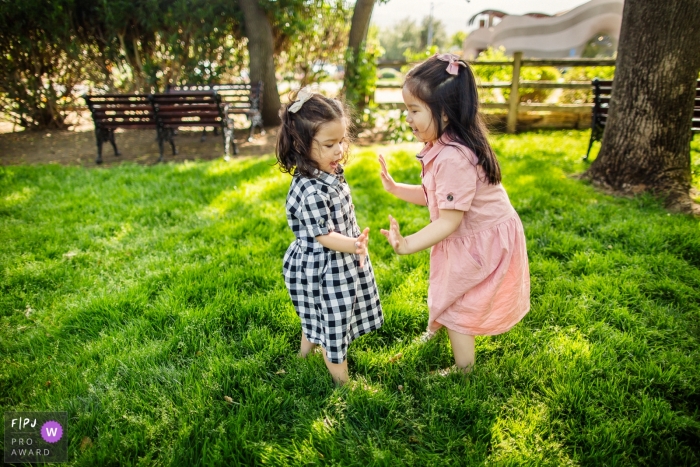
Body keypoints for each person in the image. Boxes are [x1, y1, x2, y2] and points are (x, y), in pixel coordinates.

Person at [379, 54, 530, 372]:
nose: (408, 118)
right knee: (447, 286)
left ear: (445, 112)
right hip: (472, 235)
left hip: (482, 241)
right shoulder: (447, 143)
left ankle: (464, 369)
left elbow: (449, 219)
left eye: (415, 110)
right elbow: (438, 198)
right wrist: (395, 188)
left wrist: (407, 244)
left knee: (463, 300)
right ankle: (438, 327)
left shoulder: (452, 156)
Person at [276, 87, 383, 385]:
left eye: (341, 141)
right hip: (323, 269)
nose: (338, 150)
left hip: (339, 263)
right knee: (332, 325)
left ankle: (303, 353)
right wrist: (354, 244)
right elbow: (323, 236)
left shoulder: (330, 171)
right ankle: (342, 383)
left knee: (320, 315)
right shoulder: (309, 190)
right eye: (329, 144)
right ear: (301, 145)